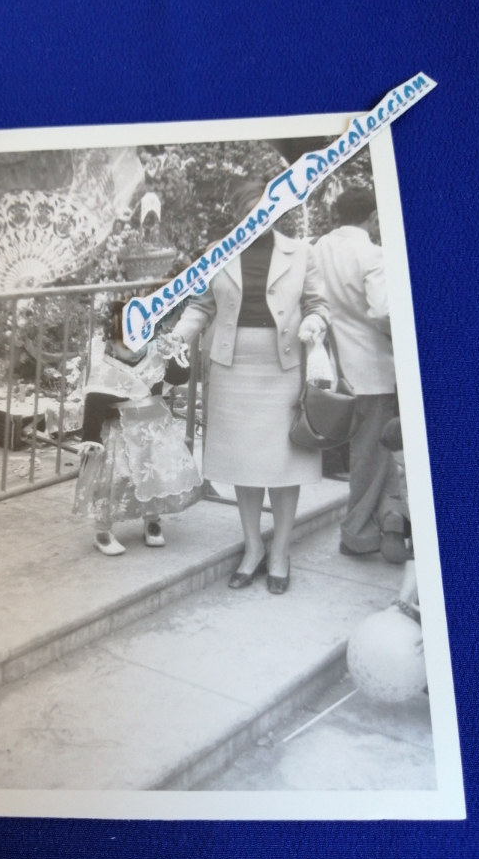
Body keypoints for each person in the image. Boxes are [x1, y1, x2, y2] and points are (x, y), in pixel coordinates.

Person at [164, 176, 330, 594]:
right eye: (252, 210)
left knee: (283, 464)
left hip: (283, 367)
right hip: (232, 369)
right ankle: (254, 547)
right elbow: (201, 305)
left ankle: (281, 552)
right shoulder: (216, 253)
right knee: (243, 462)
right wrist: (178, 337)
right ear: (238, 212)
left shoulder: (301, 252)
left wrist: (315, 321)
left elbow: (317, 304)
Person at [313, 187, 405, 563]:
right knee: (373, 453)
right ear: (372, 217)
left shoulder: (318, 249)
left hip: (334, 368)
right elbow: (384, 311)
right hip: (375, 368)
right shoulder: (372, 254)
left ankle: (392, 520)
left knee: (374, 454)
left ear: (337, 214)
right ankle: (357, 532)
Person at [72, 298, 203, 556]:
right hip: (119, 433)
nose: (134, 349)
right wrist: (90, 437)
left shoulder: (154, 357)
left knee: (155, 477)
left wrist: (171, 355)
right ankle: (103, 529)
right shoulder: (105, 368)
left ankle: (152, 522)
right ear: (110, 342)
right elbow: (95, 403)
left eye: (140, 342)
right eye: (126, 344)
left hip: (153, 431)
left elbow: (180, 377)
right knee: (113, 482)